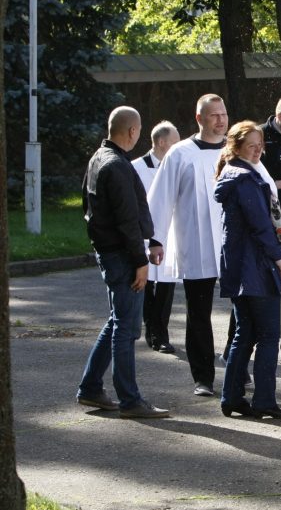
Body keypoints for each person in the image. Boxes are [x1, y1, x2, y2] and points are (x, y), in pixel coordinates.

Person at [76, 106, 170, 418]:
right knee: (126, 329)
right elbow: (128, 220)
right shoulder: (116, 165)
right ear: (132, 132)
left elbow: (89, 209)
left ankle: (91, 387)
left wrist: (149, 241)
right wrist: (140, 261)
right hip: (121, 255)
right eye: (139, 130)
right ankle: (129, 399)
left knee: (118, 321)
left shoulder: (98, 158)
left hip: (111, 252)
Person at [147, 94, 228, 397]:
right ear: (199, 119)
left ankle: (235, 363)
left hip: (235, 243)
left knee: (246, 309)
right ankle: (203, 376)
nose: (220, 120)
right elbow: (161, 197)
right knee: (199, 311)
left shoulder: (237, 150)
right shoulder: (181, 153)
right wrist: (155, 239)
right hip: (196, 242)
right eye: (213, 115)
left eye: (223, 114)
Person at [214, 121, 281, 419]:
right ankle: (263, 400)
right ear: (236, 148)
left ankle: (231, 397)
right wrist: (280, 258)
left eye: (261, 145)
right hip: (255, 269)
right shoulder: (246, 179)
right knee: (270, 335)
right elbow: (261, 226)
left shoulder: (234, 174)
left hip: (239, 268)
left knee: (244, 334)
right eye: (252, 146)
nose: (259, 150)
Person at [132, 120, 181, 354]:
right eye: (174, 142)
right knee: (147, 287)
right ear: (161, 142)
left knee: (166, 288)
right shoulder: (136, 168)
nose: (178, 146)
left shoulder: (176, 166)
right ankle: (152, 330)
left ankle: (161, 333)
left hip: (169, 236)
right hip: (145, 238)